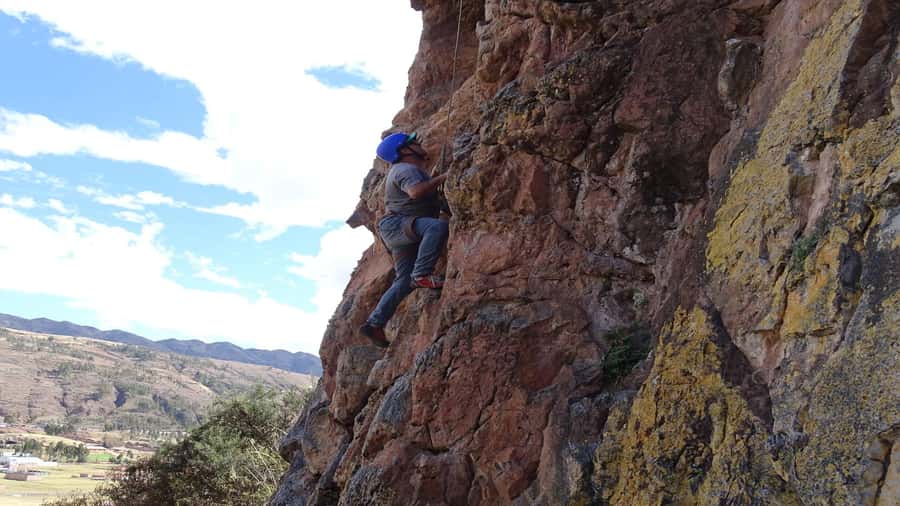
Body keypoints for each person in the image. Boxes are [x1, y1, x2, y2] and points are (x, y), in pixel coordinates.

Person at [360, 132, 449, 347]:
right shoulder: (405, 170)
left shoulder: (408, 170)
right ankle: (422, 274)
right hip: (398, 225)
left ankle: (374, 323)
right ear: (403, 151)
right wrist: (446, 176)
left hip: (397, 230)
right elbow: (416, 192)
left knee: (403, 280)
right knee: (437, 228)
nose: (419, 143)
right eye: (413, 142)